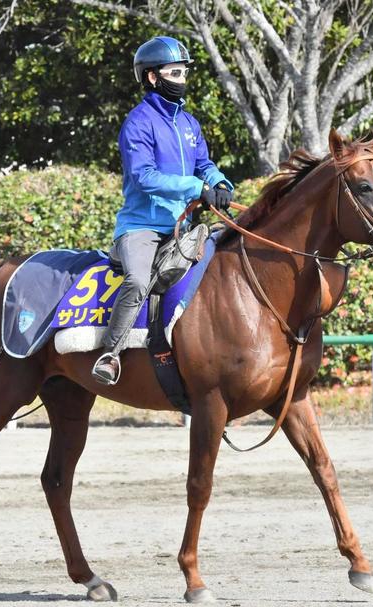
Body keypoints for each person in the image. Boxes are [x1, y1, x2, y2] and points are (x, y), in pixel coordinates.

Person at [92, 35, 233, 385]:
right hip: (141, 227)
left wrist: (218, 183)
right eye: (174, 72)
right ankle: (110, 354)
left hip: (183, 228)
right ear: (153, 77)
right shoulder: (137, 123)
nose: (181, 80)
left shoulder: (189, 124)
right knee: (138, 280)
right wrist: (194, 187)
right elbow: (144, 177)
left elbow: (205, 164)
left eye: (184, 72)